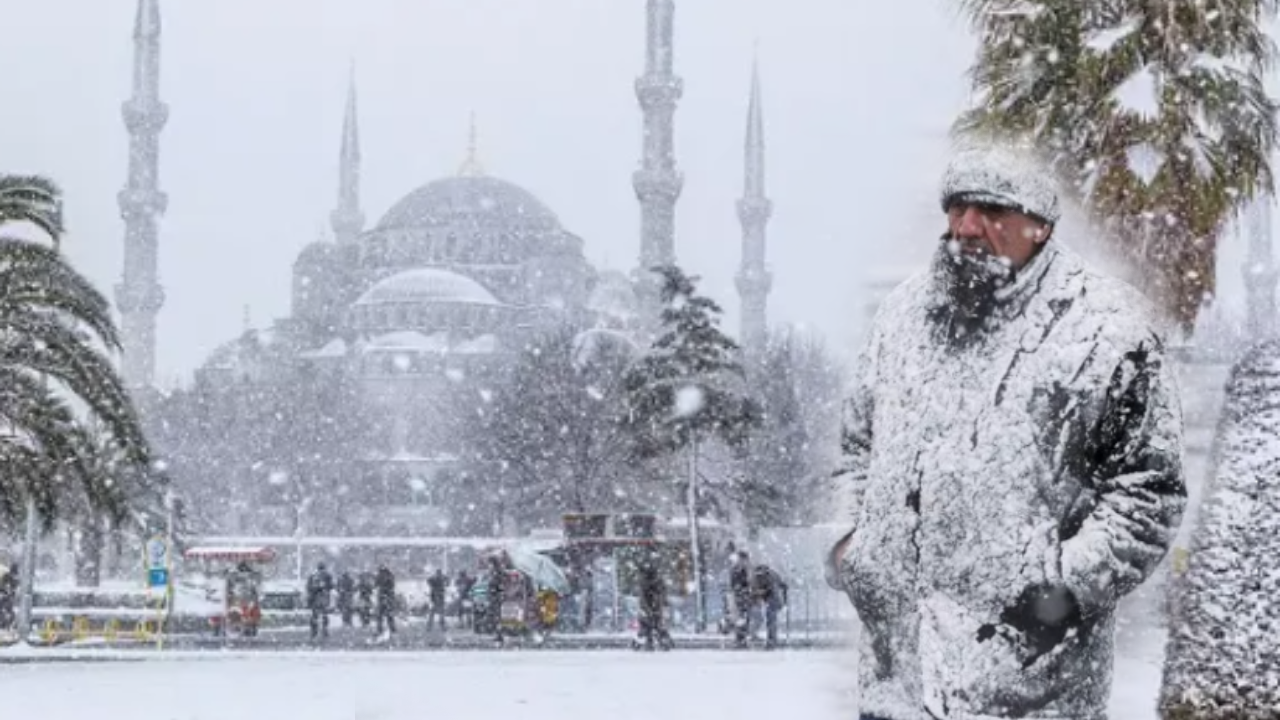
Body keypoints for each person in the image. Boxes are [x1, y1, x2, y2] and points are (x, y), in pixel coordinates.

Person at [826, 139, 1186, 720]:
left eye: (991, 210)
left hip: (1029, 687)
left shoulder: (1110, 330)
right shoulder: (901, 318)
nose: (967, 227)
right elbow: (857, 449)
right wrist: (852, 548)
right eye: (957, 208)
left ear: (1039, 225)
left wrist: (1063, 588)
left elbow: (1148, 494)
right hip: (896, 684)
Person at [751, 564, 786, 650]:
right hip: (774, 600)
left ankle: (771, 642)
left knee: (770, 622)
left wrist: (760, 593)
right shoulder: (772, 574)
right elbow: (783, 585)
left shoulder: (767, 576)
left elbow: (768, 589)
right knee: (771, 622)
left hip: (772, 600)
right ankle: (772, 641)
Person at [728, 551, 753, 648]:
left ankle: (742, 640)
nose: (746, 561)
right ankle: (740, 640)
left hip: (744, 597)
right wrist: (742, 590)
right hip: (740, 597)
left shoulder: (744, 569)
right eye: (744, 559)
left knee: (744, 619)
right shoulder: (737, 569)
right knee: (741, 618)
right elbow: (735, 584)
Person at [305, 562, 334, 641]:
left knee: (315, 616)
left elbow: (308, 587)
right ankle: (324, 631)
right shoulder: (327, 575)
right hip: (323, 597)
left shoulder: (312, 575)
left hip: (315, 598)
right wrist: (324, 587)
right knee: (324, 615)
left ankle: (314, 632)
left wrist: (313, 590)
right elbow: (331, 586)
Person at [373, 563, 397, 639]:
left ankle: (381, 630)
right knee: (388, 616)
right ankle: (391, 630)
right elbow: (376, 584)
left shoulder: (384, 575)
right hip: (387, 597)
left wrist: (379, 581)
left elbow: (376, 584)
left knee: (382, 616)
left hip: (385, 597)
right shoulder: (390, 575)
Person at [426, 568, 448, 632]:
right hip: (437, 596)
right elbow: (428, 581)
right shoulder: (439, 578)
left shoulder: (435, 578)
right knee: (438, 612)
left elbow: (428, 581)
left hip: (436, 596)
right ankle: (439, 626)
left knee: (434, 612)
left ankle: (430, 626)